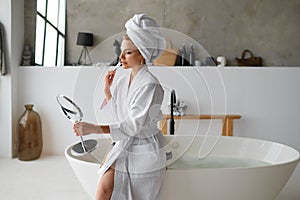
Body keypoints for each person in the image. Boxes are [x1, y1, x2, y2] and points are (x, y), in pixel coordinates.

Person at [73, 14, 166, 200]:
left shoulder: (150, 85)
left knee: (106, 190)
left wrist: (93, 129)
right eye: (121, 52)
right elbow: (120, 116)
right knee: (104, 189)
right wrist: (108, 92)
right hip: (126, 144)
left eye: (128, 52)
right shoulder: (124, 80)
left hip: (144, 149)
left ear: (142, 54)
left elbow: (132, 125)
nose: (121, 57)